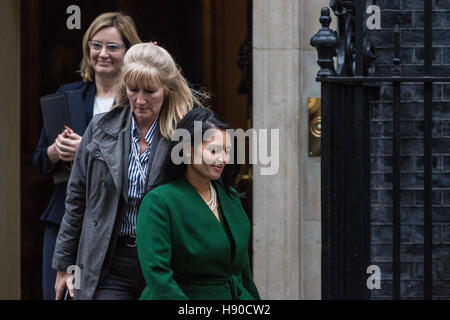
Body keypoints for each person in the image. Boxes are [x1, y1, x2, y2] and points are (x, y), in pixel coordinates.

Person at [52, 42, 205, 300]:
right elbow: (76, 198)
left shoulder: (184, 135)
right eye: (133, 90)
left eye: (150, 91)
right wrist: (64, 265)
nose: (140, 100)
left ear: (167, 90)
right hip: (109, 261)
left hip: (164, 260)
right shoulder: (100, 128)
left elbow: (202, 199)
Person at [33, 12, 141, 300]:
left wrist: (88, 150)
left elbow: (146, 156)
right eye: (96, 45)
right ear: (87, 49)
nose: (102, 54)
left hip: (114, 224)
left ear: (129, 51)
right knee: (57, 295)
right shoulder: (67, 95)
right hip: (64, 218)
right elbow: (39, 159)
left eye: (113, 47)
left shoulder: (138, 101)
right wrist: (56, 152)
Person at [136, 107, 260, 300]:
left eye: (227, 151)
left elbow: (243, 273)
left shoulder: (230, 197)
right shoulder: (159, 202)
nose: (223, 159)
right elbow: (158, 276)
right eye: (214, 150)